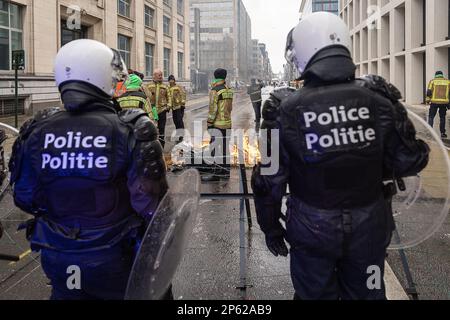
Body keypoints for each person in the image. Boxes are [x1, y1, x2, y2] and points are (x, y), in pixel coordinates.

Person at [252, 12, 430, 300]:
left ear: (305, 52)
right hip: (369, 226)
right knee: (369, 293)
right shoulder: (380, 100)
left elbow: (267, 182)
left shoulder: (283, 109)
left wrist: (271, 229)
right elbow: (410, 161)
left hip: (312, 228)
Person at [8, 39, 168, 300]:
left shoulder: (36, 130)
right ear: (102, 76)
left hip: (57, 253)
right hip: (113, 255)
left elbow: (24, 196)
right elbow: (152, 206)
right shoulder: (131, 129)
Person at [203, 68, 234, 182]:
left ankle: (216, 173)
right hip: (228, 123)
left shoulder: (215, 90)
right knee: (225, 148)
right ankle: (225, 172)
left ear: (215, 76)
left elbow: (213, 109)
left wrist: (209, 123)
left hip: (217, 125)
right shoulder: (229, 90)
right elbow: (230, 108)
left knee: (214, 148)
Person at [426, 71, 450, 139]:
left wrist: (428, 100)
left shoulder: (433, 81)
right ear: (442, 75)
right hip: (444, 103)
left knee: (431, 117)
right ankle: (442, 133)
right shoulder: (447, 81)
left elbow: (429, 92)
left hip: (434, 102)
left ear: (436, 75)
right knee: (442, 117)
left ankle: (430, 131)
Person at [168, 75, 186, 143]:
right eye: (170, 80)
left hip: (179, 106)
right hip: (173, 107)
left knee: (179, 120)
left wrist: (183, 104)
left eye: (172, 80)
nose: (171, 81)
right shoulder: (169, 88)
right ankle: (178, 132)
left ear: (174, 80)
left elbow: (183, 94)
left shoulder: (179, 87)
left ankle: (181, 135)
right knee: (175, 121)